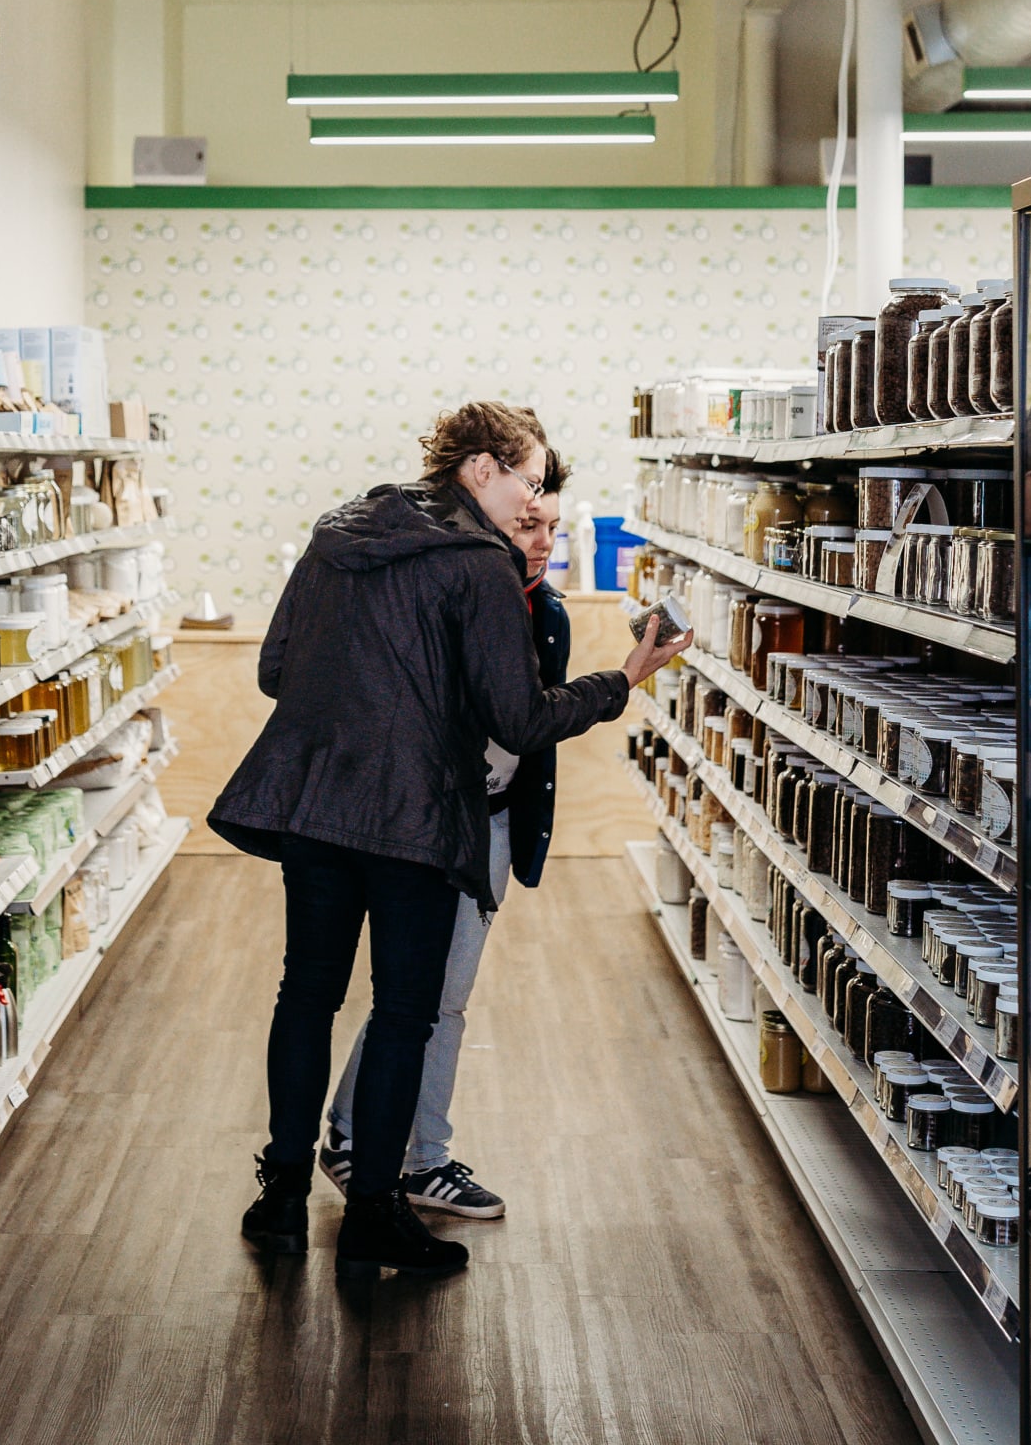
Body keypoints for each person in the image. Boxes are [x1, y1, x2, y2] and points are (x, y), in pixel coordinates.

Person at [210, 403, 687, 1282]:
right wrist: (624, 678)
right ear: (480, 469)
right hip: (414, 822)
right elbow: (518, 716)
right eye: (529, 484)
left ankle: (279, 1194)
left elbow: (276, 669)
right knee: (404, 1013)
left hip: (315, 808)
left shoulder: (338, 536)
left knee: (305, 994)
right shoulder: (477, 567)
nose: (533, 505)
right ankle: (373, 1214)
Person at [315, 456, 578, 1220]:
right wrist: (619, 682)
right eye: (528, 522)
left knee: (439, 1000)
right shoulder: (452, 588)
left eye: (553, 527)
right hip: (428, 824)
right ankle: (384, 1149)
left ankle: (389, 1147)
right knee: (418, 999)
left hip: (490, 821)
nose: (540, 541)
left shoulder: (547, 610)